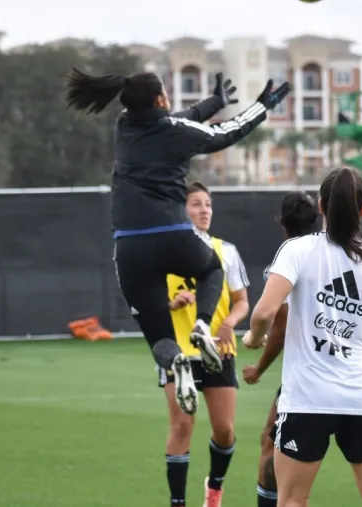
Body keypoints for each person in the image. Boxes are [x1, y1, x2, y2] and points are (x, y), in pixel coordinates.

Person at [62, 67, 289, 416]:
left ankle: (176, 361)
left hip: (129, 247)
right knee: (212, 269)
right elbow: (225, 133)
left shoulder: (124, 125)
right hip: (173, 235)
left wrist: (214, 102)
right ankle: (202, 326)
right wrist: (262, 106)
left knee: (160, 338)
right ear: (160, 99)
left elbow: (180, 119)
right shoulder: (176, 131)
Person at [242, 191, 362, 507]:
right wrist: (356, 335)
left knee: (293, 499)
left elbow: (263, 315)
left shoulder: (296, 251)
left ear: (322, 206)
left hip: (308, 398)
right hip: (361, 396)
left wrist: (252, 338)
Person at [158, 182, 251, 507]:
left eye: (208, 204)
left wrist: (229, 323)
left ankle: (215, 487)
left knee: (225, 430)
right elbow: (147, 303)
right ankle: (178, 502)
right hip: (178, 352)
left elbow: (242, 302)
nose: (204, 210)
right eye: (196, 204)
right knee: (182, 425)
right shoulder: (164, 253)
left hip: (218, 350)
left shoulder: (226, 251)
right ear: (181, 210)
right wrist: (171, 304)